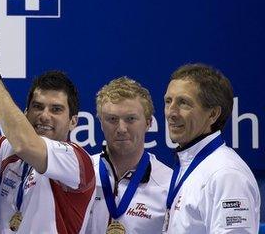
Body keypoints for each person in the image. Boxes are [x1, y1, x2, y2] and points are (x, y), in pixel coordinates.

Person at [0, 30, 96, 234]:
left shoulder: (76, 160)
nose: (44, 116)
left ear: (73, 121)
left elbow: (23, 143)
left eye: (56, 109)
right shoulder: (8, 152)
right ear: (25, 113)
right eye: (38, 107)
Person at [163, 63, 260, 233]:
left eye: (183, 103)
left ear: (213, 114)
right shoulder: (189, 164)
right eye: (168, 101)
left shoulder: (226, 174)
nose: (171, 112)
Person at [84, 77, 172, 233]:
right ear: (101, 123)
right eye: (112, 119)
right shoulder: (82, 173)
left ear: (148, 123)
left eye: (130, 119)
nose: (121, 128)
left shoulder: (168, 184)